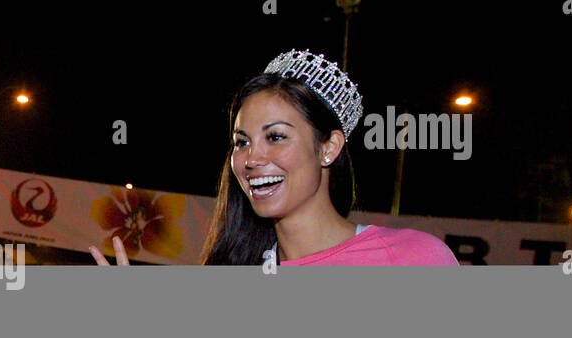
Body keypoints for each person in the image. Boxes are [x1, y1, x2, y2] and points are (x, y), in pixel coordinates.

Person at [91, 50, 458, 266]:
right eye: (241, 142)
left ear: (328, 147)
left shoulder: (413, 259)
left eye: (276, 136)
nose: (251, 159)